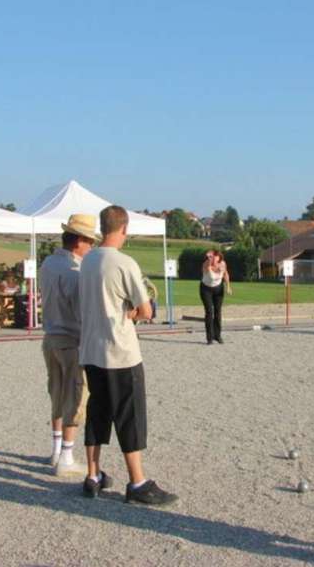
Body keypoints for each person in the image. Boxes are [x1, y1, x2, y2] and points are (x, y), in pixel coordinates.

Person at [79, 205, 177, 505]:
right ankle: (137, 482)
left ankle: (93, 476)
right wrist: (134, 311)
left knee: (97, 413)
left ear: (102, 227)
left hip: (91, 349)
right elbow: (145, 310)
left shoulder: (87, 261)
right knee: (129, 416)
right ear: (124, 229)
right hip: (120, 352)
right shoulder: (124, 263)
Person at [40, 214, 98, 477]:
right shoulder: (75, 272)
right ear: (79, 242)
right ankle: (66, 455)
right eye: (89, 242)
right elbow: (82, 311)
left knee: (56, 390)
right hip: (71, 339)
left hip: (50, 336)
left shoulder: (48, 263)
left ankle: (55, 449)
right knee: (75, 395)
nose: (91, 248)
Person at [199, 249, 232, 344]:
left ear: (219, 258)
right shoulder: (206, 264)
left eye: (215, 257)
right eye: (211, 257)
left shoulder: (222, 264)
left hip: (218, 288)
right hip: (206, 289)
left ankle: (217, 336)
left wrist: (228, 286)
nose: (213, 259)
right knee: (209, 312)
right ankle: (209, 338)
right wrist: (209, 261)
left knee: (218, 312)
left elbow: (225, 274)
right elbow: (206, 269)